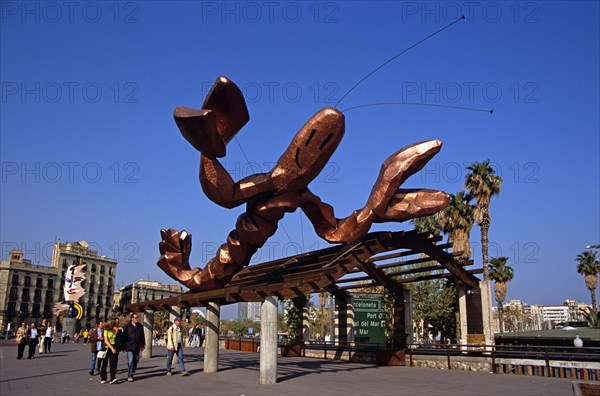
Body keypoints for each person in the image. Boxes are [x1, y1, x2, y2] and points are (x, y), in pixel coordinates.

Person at [123, 313, 145, 382]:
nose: (137, 319)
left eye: (137, 317)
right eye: (135, 318)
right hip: (129, 346)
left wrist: (143, 344)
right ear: (131, 318)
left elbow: (142, 336)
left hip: (137, 346)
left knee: (136, 359)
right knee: (130, 361)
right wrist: (123, 346)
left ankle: (133, 370)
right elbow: (124, 336)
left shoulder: (140, 326)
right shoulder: (127, 326)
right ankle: (130, 375)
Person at [100, 318, 119, 384]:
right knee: (104, 363)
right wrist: (112, 348)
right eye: (113, 324)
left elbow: (115, 339)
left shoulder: (114, 330)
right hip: (107, 347)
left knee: (112, 363)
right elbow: (106, 340)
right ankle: (103, 377)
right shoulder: (106, 330)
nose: (114, 326)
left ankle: (113, 378)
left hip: (113, 346)